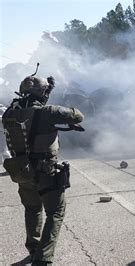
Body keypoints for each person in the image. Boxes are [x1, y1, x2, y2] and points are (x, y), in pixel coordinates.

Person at [2, 69, 84, 265]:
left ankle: (33, 248)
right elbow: (78, 116)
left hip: (23, 171)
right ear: (42, 93)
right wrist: (47, 98)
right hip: (46, 172)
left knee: (32, 210)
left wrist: (43, 95)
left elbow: (29, 115)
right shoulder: (48, 113)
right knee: (55, 212)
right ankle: (43, 259)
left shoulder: (9, 114)